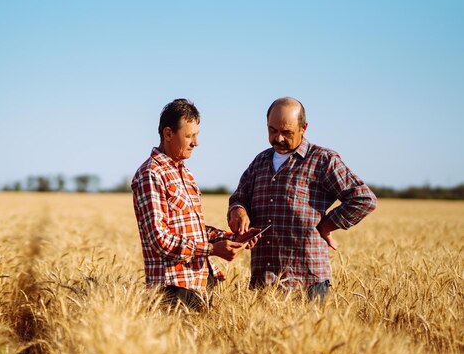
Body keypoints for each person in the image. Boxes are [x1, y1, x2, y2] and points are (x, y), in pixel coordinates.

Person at [228, 97, 377, 301]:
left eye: (286, 132)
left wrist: (327, 225)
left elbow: (363, 198)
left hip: (307, 283)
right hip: (263, 283)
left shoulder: (323, 160)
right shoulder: (260, 161)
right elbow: (239, 197)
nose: (278, 138)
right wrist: (239, 210)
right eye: (272, 130)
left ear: (303, 127)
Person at [132, 98, 260, 312]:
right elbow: (159, 239)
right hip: (174, 287)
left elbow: (194, 231)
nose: (195, 143)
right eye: (189, 136)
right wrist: (212, 249)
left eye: (196, 135)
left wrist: (231, 238)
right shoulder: (150, 174)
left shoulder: (185, 173)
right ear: (168, 134)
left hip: (201, 281)